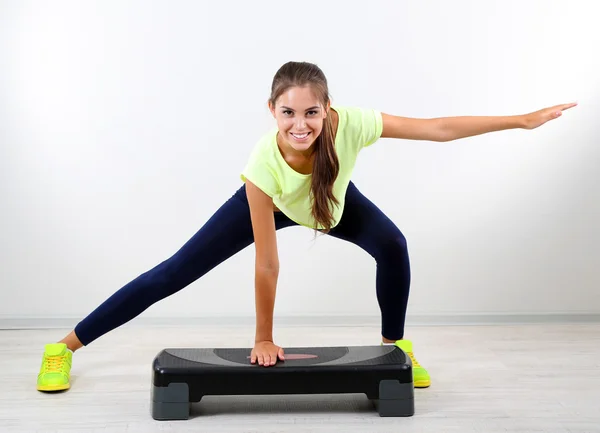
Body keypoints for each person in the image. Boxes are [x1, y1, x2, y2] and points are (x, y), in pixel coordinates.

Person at [36, 61, 576, 392]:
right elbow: (268, 261)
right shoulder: (262, 166)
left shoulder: (352, 124)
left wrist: (521, 120)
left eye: (311, 113)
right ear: (272, 111)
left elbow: (436, 128)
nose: (301, 125)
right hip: (275, 204)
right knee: (173, 273)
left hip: (330, 202)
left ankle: (396, 348)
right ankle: (63, 347)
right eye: (288, 114)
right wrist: (264, 337)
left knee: (392, 244)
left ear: (327, 110)